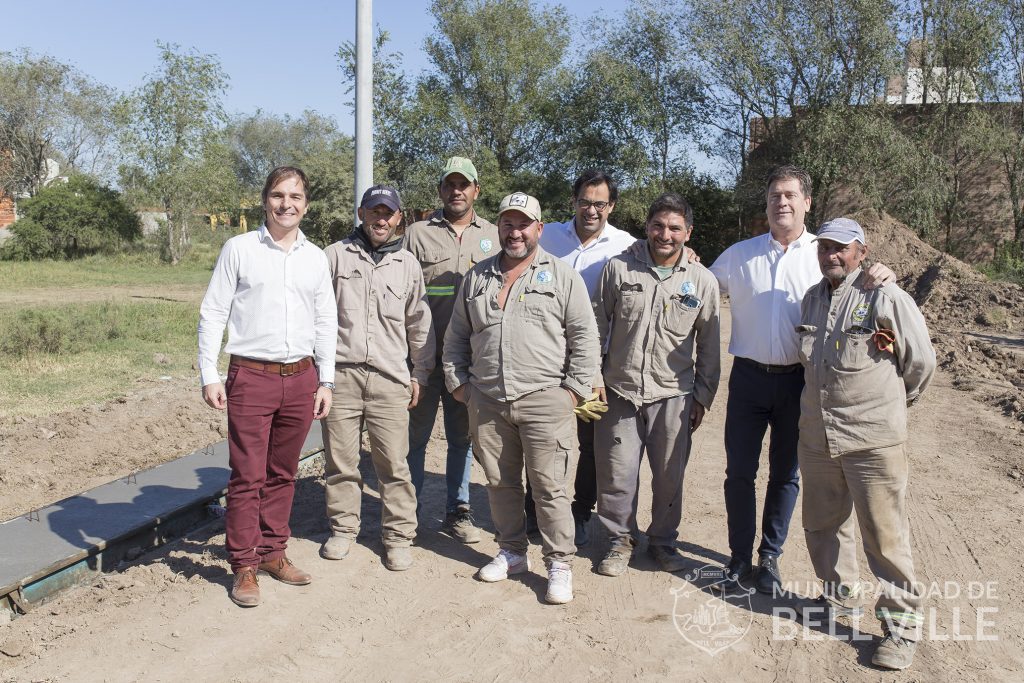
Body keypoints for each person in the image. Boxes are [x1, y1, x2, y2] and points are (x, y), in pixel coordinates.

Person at [709, 165, 894, 594]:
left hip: (802, 383)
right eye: (775, 195)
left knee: (786, 474)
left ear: (807, 202)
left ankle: (769, 557)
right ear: (767, 202)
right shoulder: (740, 255)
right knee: (739, 471)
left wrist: (887, 275)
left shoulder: (826, 253)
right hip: (749, 380)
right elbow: (697, 282)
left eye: (791, 195)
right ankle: (739, 558)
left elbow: (864, 285)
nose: (782, 203)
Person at [443, 192, 599, 604]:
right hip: (489, 399)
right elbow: (457, 336)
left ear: (539, 229)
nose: (515, 232)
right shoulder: (478, 277)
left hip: (545, 398)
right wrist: (461, 385)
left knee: (549, 487)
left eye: (523, 224)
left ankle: (559, 562)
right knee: (500, 483)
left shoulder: (562, 276)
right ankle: (512, 552)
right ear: (499, 227)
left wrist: (572, 392)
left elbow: (585, 337)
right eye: (508, 223)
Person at [796, 217, 934, 671]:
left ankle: (901, 628)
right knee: (822, 525)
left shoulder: (885, 295)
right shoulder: (812, 300)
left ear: (861, 251)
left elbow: (920, 362)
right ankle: (841, 600)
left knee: (885, 537)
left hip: (872, 439)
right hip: (819, 437)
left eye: (841, 248)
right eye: (824, 247)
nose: (830, 255)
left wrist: (892, 404)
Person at [197, 166, 337, 607]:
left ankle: (274, 553)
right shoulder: (238, 249)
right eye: (278, 195)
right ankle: (244, 565)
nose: (286, 204)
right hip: (250, 377)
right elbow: (213, 312)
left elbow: (325, 321)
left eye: (295, 196)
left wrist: (325, 379)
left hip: (301, 378)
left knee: (283, 474)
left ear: (306, 204)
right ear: (265, 200)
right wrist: (209, 373)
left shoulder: (315, 257)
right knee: (247, 476)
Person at [592, 193, 720, 576]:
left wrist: (703, 396)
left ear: (688, 232)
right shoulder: (619, 269)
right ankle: (618, 541)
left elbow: (710, 345)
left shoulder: (701, 280)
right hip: (620, 391)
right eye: (659, 225)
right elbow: (597, 326)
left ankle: (664, 543)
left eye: (675, 228)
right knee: (617, 474)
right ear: (647, 227)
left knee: (669, 478)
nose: (666, 234)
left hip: (674, 396)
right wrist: (593, 379)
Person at [320, 185, 434, 572]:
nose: (380, 219)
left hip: (389, 379)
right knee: (341, 462)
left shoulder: (407, 265)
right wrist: (319, 375)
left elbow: (419, 323)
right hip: (341, 376)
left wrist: (420, 371)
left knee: (393, 465)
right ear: (361, 213)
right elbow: (316, 317)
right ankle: (343, 529)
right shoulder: (334, 256)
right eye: (374, 211)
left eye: (388, 213)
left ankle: (398, 536)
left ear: (399, 217)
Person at [533, 168, 636, 546]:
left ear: (611, 206)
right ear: (572, 202)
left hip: (596, 360)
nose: (591, 211)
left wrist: (688, 250)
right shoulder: (549, 237)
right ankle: (535, 507)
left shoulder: (626, 245)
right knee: (541, 435)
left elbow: (668, 254)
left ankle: (580, 509)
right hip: (545, 357)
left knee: (590, 441)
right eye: (584, 202)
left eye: (599, 204)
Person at [404, 157, 498, 543]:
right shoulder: (416, 234)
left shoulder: (495, 234)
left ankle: (458, 512)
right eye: (450, 184)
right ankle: (405, 513)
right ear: (441, 189)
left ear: (477, 190)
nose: (456, 191)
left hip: (469, 363)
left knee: (462, 440)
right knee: (413, 440)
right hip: (423, 359)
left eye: (464, 185)